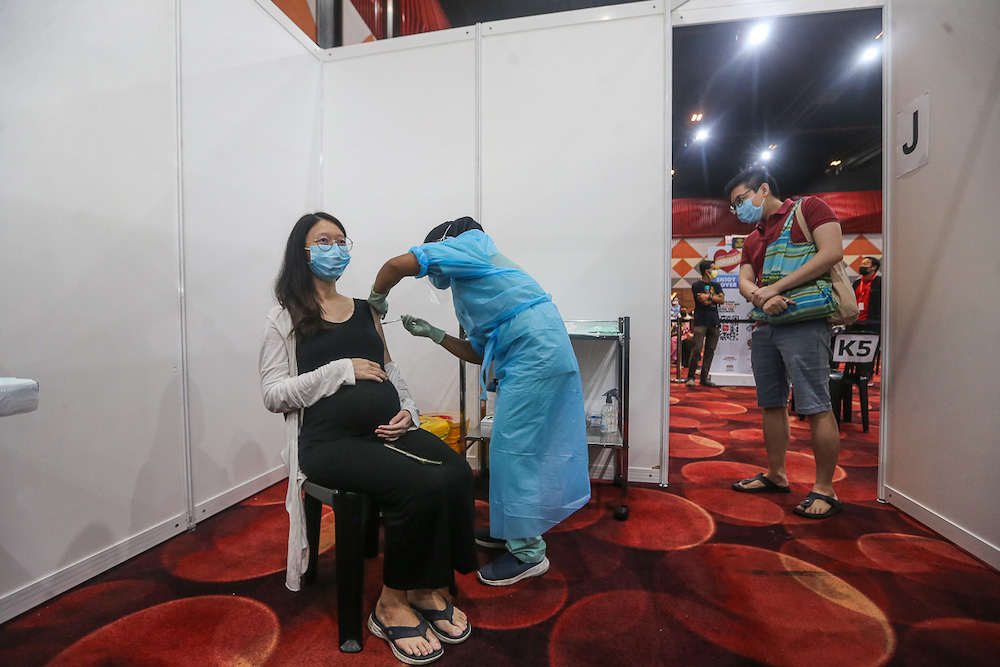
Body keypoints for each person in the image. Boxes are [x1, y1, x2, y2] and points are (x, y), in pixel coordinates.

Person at [259, 212, 477, 665]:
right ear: (302, 251)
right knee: (416, 485)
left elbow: (391, 370)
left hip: (385, 430)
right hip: (329, 444)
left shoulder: (366, 310)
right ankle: (391, 602)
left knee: (456, 471)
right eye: (324, 240)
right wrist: (341, 371)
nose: (336, 249)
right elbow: (273, 395)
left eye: (342, 240)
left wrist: (408, 412)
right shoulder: (284, 317)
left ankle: (426, 586)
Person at [369, 217, 591, 586]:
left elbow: (395, 266)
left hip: (534, 356)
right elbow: (477, 351)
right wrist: (435, 334)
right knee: (508, 449)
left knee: (513, 449)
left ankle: (529, 553)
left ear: (446, 242)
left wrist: (376, 299)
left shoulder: (472, 243)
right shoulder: (472, 282)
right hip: (526, 358)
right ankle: (511, 529)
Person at [726, 166, 844, 520]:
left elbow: (831, 252)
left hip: (806, 322)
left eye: (741, 200)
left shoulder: (809, 209)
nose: (738, 209)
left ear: (763, 189)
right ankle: (776, 474)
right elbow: (746, 279)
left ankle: (826, 488)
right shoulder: (752, 238)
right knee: (771, 404)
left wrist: (775, 288)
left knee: (816, 405)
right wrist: (762, 299)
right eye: (733, 206)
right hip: (766, 325)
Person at [686, 259, 724, 387]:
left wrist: (709, 297)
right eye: (713, 269)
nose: (715, 271)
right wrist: (714, 299)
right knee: (696, 350)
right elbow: (703, 301)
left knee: (710, 350)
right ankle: (690, 376)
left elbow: (722, 300)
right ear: (707, 271)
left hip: (714, 321)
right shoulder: (696, 285)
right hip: (701, 321)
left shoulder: (716, 286)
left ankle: (704, 377)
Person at [850, 256, 881, 333]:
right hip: (855, 323)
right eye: (861, 264)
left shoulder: (880, 283)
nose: (861, 266)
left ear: (874, 267)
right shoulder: (856, 283)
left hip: (873, 323)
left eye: (865, 264)